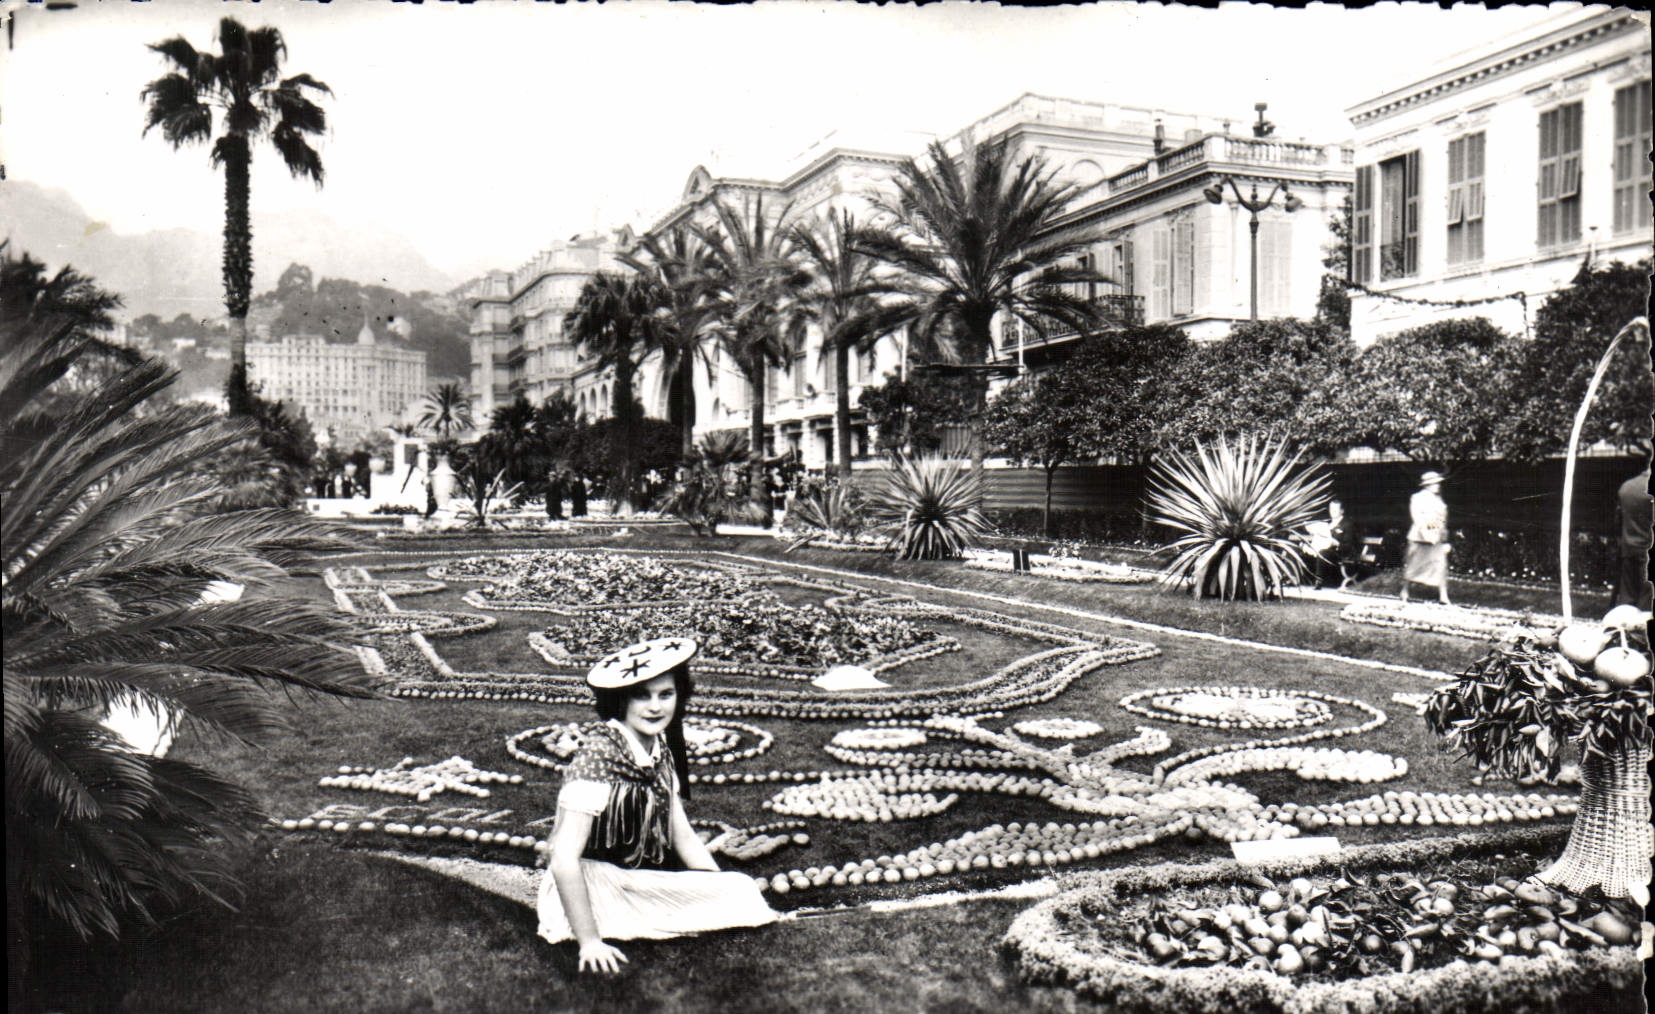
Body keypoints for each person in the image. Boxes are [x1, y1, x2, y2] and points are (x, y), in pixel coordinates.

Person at [537, 638, 776, 972]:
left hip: (636, 878)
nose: (655, 707)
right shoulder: (599, 756)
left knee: (740, 889)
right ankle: (599, 927)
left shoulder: (659, 750)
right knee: (723, 903)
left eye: (666, 694)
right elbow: (563, 860)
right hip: (591, 885)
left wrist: (712, 886)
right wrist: (590, 941)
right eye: (642, 695)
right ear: (620, 700)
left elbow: (684, 837)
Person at [1401, 471, 1451, 605]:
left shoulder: (1439, 500)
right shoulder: (1417, 498)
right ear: (1427, 485)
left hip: (1436, 538)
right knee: (1413, 564)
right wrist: (1427, 534)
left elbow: (1442, 520)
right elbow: (1417, 517)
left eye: (1438, 483)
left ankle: (1443, 595)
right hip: (1420, 537)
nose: (1438, 486)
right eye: (1435, 483)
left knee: (1440, 564)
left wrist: (1442, 536)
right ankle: (1405, 590)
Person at [1615, 467, 1652, 610]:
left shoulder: (1627, 487)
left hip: (1629, 550)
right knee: (1647, 606)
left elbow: (1618, 521)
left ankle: (1624, 631)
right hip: (1647, 549)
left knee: (1627, 602)